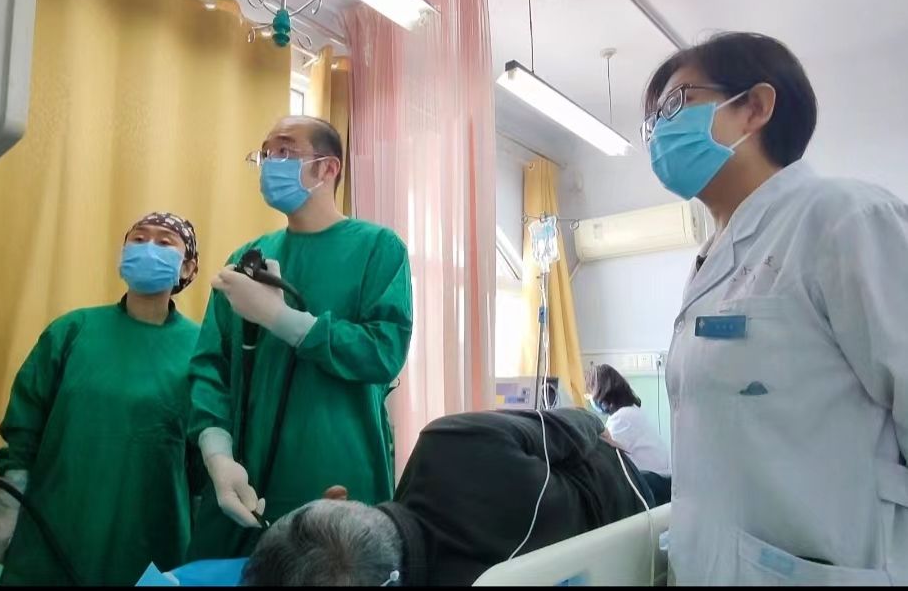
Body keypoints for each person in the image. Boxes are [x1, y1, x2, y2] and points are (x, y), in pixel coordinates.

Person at [642, 31, 908, 585]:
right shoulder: (710, 261)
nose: (660, 132)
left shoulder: (844, 219)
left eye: (675, 104)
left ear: (755, 107)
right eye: (653, 122)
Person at [187, 116, 413, 560]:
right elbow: (210, 368)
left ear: (328, 168)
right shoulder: (246, 259)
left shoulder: (378, 248)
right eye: (266, 153)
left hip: (335, 470)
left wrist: (281, 318)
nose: (271, 162)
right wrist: (217, 457)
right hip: (245, 483)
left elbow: (383, 351)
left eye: (286, 151)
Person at [0, 212, 203, 585]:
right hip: (54, 528)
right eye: (138, 239)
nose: (148, 248)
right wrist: (8, 504)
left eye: (165, 242)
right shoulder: (73, 331)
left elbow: (204, 460)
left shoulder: (199, 348)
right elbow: (25, 426)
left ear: (188, 268)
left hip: (148, 537)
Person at [242, 408, 654, 586]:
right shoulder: (448, 444)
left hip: (636, 559)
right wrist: (597, 426)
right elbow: (577, 423)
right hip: (634, 491)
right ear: (337, 496)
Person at [587, 364, 671, 505]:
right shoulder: (630, 412)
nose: (590, 400)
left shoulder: (623, 418)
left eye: (589, 395)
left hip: (655, 484)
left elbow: (607, 456)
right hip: (660, 481)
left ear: (601, 394)